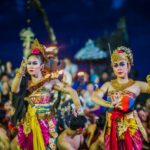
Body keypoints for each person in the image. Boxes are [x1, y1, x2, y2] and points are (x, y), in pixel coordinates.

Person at [11, 39, 81, 150]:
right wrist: (21, 69)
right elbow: (14, 89)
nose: (31, 66)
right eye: (29, 63)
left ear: (42, 66)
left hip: (45, 123)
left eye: (35, 63)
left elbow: (72, 91)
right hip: (29, 124)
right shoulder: (25, 82)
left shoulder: (50, 82)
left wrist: (78, 107)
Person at [92, 46, 150, 150]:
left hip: (131, 128)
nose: (119, 68)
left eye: (122, 64)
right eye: (116, 65)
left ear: (128, 66)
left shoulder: (137, 85)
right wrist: (109, 104)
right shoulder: (108, 85)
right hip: (111, 128)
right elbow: (94, 97)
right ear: (113, 69)